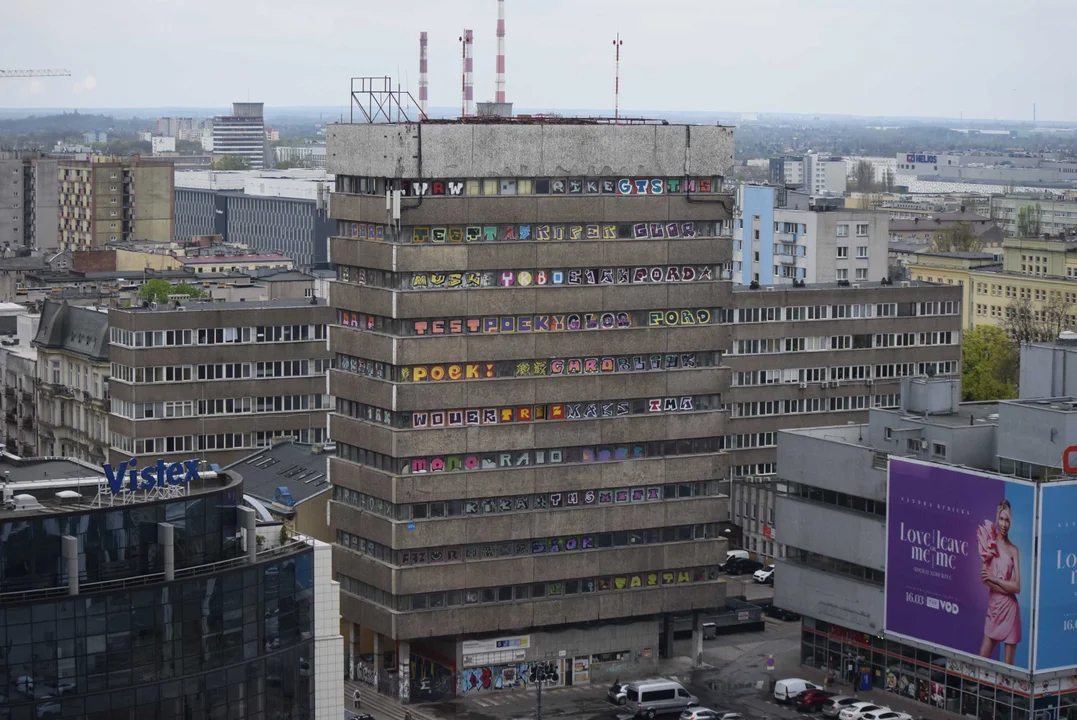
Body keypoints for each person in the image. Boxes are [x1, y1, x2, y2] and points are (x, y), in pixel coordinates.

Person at [978, 499, 1022, 666]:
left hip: (1011, 611)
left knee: (1008, 669)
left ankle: (1005, 693)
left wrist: (996, 579)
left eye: (1007, 520)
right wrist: (1006, 585)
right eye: (1002, 519)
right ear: (997, 518)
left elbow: (1018, 587)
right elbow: (984, 578)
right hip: (994, 609)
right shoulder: (989, 544)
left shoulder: (1014, 550)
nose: (1004, 524)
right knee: (981, 661)